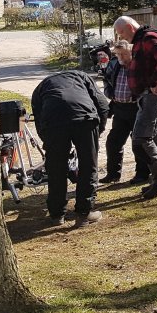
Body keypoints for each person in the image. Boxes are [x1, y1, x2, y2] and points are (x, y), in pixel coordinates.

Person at [31, 70, 109, 226]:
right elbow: (103, 104)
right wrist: (99, 129)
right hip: (85, 119)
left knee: (55, 168)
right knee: (88, 166)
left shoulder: (41, 87)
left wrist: (48, 141)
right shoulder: (83, 77)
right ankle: (83, 214)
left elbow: (38, 118)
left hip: (54, 122)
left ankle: (57, 214)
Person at [113, 15, 157, 200]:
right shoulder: (141, 40)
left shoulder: (148, 38)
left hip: (156, 95)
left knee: (141, 138)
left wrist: (155, 81)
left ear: (130, 27)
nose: (121, 37)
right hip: (151, 94)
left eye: (121, 32)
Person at [99, 41, 150, 184]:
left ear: (131, 52)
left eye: (123, 54)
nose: (120, 57)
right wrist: (110, 94)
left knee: (138, 142)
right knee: (113, 142)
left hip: (137, 109)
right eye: (118, 54)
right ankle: (113, 174)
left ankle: (142, 174)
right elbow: (106, 80)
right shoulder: (114, 65)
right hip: (119, 109)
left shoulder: (139, 66)